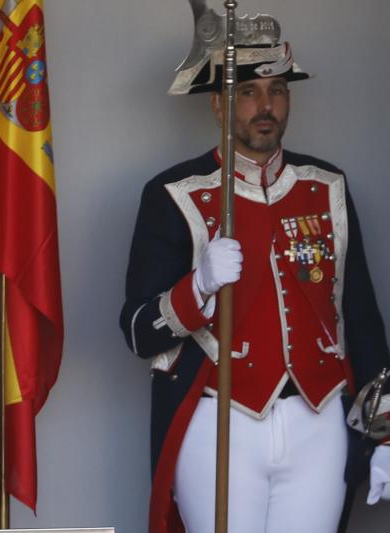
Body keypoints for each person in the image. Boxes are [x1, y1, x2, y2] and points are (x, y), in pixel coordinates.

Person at [119, 41, 390, 533]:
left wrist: (386, 434)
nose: (266, 107)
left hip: (320, 417)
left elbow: (362, 318)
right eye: (247, 92)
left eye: (277, 91)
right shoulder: (174, 194)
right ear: (218, 103)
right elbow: (138, 333)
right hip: (219, 421)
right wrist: (198, 287)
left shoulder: (326, 185)